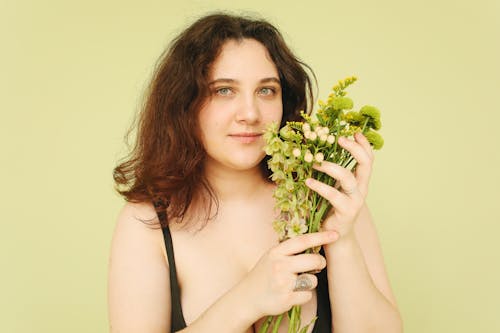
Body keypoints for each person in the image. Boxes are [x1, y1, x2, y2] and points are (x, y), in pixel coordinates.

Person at [108, 13, 402, 333]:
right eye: (224, 90)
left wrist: (342, 241)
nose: (250, 114)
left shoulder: (326, 199)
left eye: (266, 91)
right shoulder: (146, 224)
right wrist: (247, 299)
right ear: (184, 102)